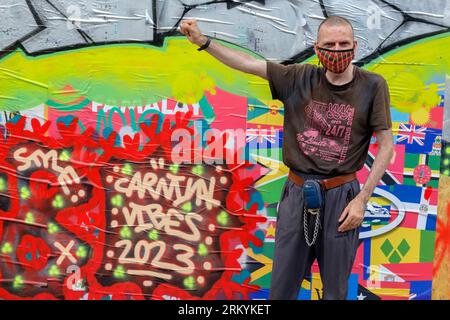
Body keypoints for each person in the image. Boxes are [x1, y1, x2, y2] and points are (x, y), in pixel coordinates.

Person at [180, 15, 394, 300]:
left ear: (355, 47)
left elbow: (386, 145)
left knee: (335, 292)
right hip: (297, 193)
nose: (337, 50)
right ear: (317, 49)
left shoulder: (373, 86)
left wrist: (362, 199)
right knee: (281, 289)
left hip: (342, 197)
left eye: (344, 43)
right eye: (329, 44)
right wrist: (204, 43)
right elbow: (247, 64)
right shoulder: (298, 78)